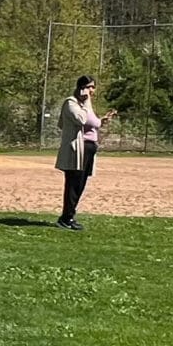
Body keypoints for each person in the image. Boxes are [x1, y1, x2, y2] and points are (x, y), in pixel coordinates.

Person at [55, 75, 114, 231]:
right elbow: (80, 120)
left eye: (93, 87)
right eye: (89, 87)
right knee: (73, 184)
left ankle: (69, 216)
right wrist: (86, 102)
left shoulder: (86, 105)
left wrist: (103, 120)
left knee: (80, 184)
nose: (92, 90)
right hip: (77, 149)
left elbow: (93, 123)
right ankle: (66, 218)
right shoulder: (71, 103)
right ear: (81, 87)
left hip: (89, 148)